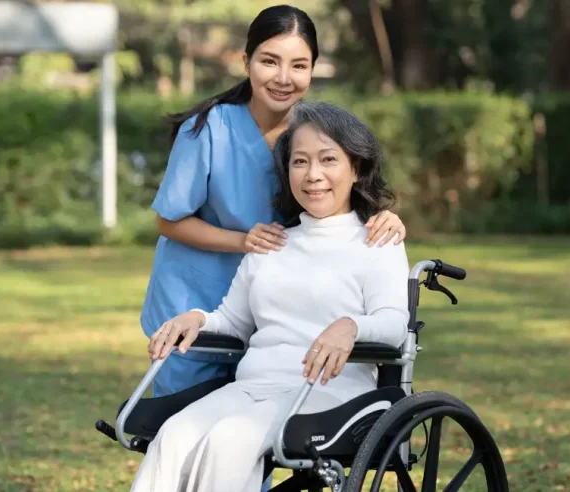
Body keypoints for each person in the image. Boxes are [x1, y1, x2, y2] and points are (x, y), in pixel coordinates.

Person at [130, 100, 410, 492]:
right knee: (174, 435)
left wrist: (351, 326)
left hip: (331, 390)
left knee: (231, 439)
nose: (313, 175)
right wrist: (197, 318)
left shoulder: (377, 241)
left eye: (328, 160)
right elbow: (233, 320)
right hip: (254, 385)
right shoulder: (273, 243)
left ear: (356, 168)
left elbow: (395, 325)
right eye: (300, 162)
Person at [140, 4, 406, 400]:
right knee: (187, 418)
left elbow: (340, 191)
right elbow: (168, 221)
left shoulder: (310, 133)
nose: (284, 78)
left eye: (299, 65)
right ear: (247, 62)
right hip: (195, 297)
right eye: (269, 61)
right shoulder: (209, 129)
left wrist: (387, 219)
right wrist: (244, 240)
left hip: (272, 307)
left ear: (313, 68)